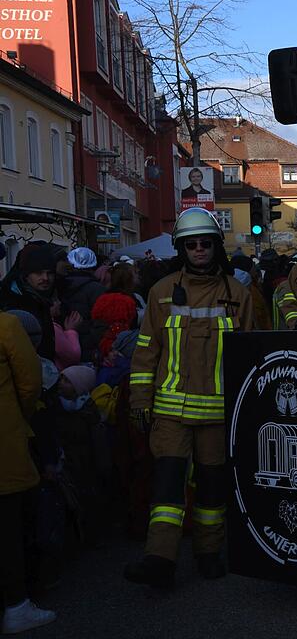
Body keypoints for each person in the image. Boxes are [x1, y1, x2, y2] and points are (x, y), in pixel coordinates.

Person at [123, 208, 254, 589]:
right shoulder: (161, 293)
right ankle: (159, 559)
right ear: (182, 248)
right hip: (170, 413)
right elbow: (146, 352)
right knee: (166, 489)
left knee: (212, 489)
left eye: (206, 243)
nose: (199, 249)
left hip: (217, 414)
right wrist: (139, 401)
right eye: (191, 244)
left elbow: (250, 354)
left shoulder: (238, 294)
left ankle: (208, 553)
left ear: (215, 246)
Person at [0, 312, 54, 633]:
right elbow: (31, 381)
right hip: (5, 446)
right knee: (9, 530)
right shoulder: (6, 325)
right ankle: (17, 605)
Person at [0, 244, 58, 361]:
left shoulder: (42, 298)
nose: (45, 278)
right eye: (38, 273)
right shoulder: (15, 301)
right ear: (26, 276)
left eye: (49, 273)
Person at [60, 248, 105, 361]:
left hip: (62, 346)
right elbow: (101, 323)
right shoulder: (97, 288)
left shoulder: (58, 285)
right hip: (89, 349)